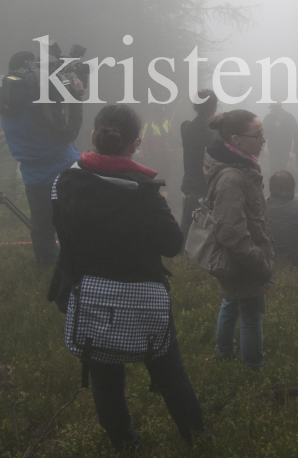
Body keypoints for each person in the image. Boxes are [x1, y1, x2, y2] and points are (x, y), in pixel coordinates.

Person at [49, 105, 204, 451]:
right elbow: (172, 245)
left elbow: (63, 234)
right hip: (143, 298)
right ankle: (196, 435)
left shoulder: (64, 183)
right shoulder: (146, 191)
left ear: (93, 136)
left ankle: (124, 442)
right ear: (135, 143)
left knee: (105, 379)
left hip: (89, 295)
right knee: (169, 371)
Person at [0, 50, 83, 268]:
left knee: (42, 223)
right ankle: (79, 264)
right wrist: (76, 96)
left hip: (33, 173)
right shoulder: (38, 98)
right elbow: (69, 132)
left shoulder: (6, 99)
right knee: (75, 219)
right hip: (64, 166)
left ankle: (46, 267)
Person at [204, 109, 275, 369]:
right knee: (251, 314)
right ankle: (254, 367)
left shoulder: (240, 166)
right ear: (236, 140)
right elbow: (230, 230)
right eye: (257, 135)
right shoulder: (232, 178)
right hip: (245, 259)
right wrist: (257, 260)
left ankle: (224, 352)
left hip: (239, 259)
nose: (263, 140)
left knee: (231, 301)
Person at [179, 89, 218, 248]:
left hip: (188, 184)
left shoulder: (186, 127)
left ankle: (180, 256)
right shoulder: (213, 134)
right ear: (214, 107)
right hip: (205, 186)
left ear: (195, 106)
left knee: (187, 223)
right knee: (205, 228)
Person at [262, 102, 298, 173]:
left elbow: (296, 132)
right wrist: (262, 147)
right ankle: (273, 181)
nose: (271, 111)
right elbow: (263, 133)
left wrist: (295, 147)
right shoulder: (268, 117)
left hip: (285, 147)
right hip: (272, 147)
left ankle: (282, 181)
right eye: (271, 110)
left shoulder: (289, 117)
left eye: (273, 109)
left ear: (279, 109)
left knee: (283, 166)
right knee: (273, 166)